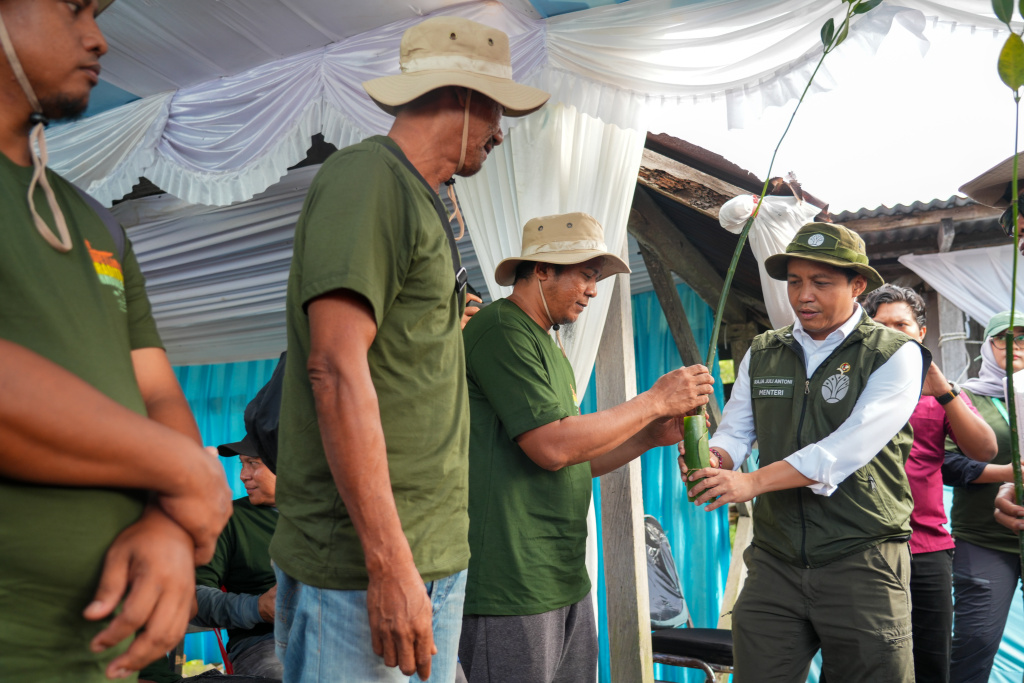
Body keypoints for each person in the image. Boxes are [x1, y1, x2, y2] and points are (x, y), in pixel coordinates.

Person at [268, 15, 549, 683]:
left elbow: (389, 356)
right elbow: (334, 368)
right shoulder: (367, 179)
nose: (501, 131)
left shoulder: (424, 202)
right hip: (363, 569)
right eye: (495, 110)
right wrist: (389, 563)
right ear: (458, 97)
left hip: (429, 553)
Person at [0, 1, 232, 681]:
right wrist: (188, 474)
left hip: (116, 657)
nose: (98, 38)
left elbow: (156, 387)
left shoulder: (93, 220)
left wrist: (169, 520)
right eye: (72, 8)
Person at [457, 212, 715, 683]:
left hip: (562, 575)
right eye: (586, 275)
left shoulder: (548, 345)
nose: (593, 290)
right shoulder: (500, 329)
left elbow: (573, 460)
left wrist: (648, 435)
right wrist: (654, 399)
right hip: (510, 579)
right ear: (541, 269)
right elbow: (552, 448)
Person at [682, 223, 927, 683]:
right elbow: (737, 431)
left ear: (858, 286)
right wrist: (718, 459)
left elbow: (844, 449)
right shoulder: (764, 351)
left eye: (821, 282)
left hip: (862, 555)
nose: (803, 296)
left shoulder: (894, 354)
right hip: (775, 559)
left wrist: (750, 483)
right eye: (794, 281)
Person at [862, 284, 997, 683]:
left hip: (927, 548)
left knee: (931, 661)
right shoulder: (850, 386)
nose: (891, 332)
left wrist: (945, 392)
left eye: (901, 324)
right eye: (881, 325)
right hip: (861, 546)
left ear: (921, 332)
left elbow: (984, 449)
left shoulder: (939, 391)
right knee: (858, 660)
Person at [940, 311, 1024, 683]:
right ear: (987, 347)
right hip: (984, 537)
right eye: (1002, 337)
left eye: (1022, 337)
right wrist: (1008, 474)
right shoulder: (964, 397)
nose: (1014, 345)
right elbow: (946, 462)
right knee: (975, 639)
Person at [188, 436, 281, 679]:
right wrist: (257, 608)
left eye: (253, 464)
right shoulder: (228, 519)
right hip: (267, 642)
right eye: (243, 463)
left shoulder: (334, 516)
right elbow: (192, 597)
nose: (243, 475)